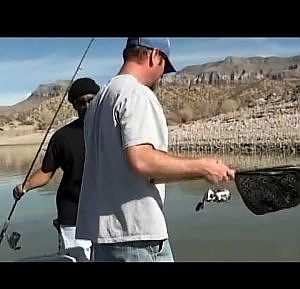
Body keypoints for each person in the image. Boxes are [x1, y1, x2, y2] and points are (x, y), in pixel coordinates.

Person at [76, 38, 235, 262]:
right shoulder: (136, 94)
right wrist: (202, 167)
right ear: (154, 56)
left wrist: (196, 171)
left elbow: (128, 172)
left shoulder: (97, 103)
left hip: (102, 240)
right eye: (164, 67)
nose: (162, 75)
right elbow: (142, 161)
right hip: (137, 240)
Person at [13, 77, 100, 261]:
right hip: (72, 213)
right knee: (77, 259)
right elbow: (46, 172)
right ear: (75, 106)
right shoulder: (62, 137)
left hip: (106, 212)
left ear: (99, 99)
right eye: (80, 103)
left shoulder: (112, 131)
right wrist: (25, 186)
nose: (86, 106)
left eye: (91, 100)